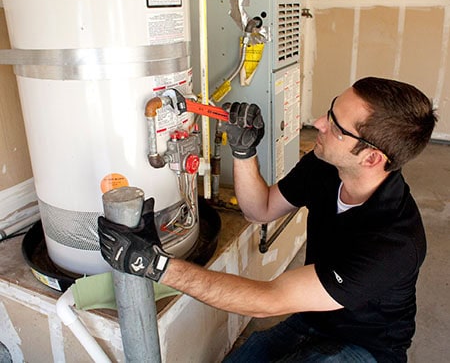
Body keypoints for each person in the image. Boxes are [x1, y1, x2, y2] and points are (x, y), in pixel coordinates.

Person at [98, 77, 437, 362]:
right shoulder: (325, 168)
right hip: (311, 320)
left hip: (367, 346)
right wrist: (243, 150)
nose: (318, 122)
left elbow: (268, 300)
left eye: (335, 125)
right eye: (330, 109)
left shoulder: (395, 242)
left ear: (372, 157)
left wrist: (156, 266)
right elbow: (258, 209)